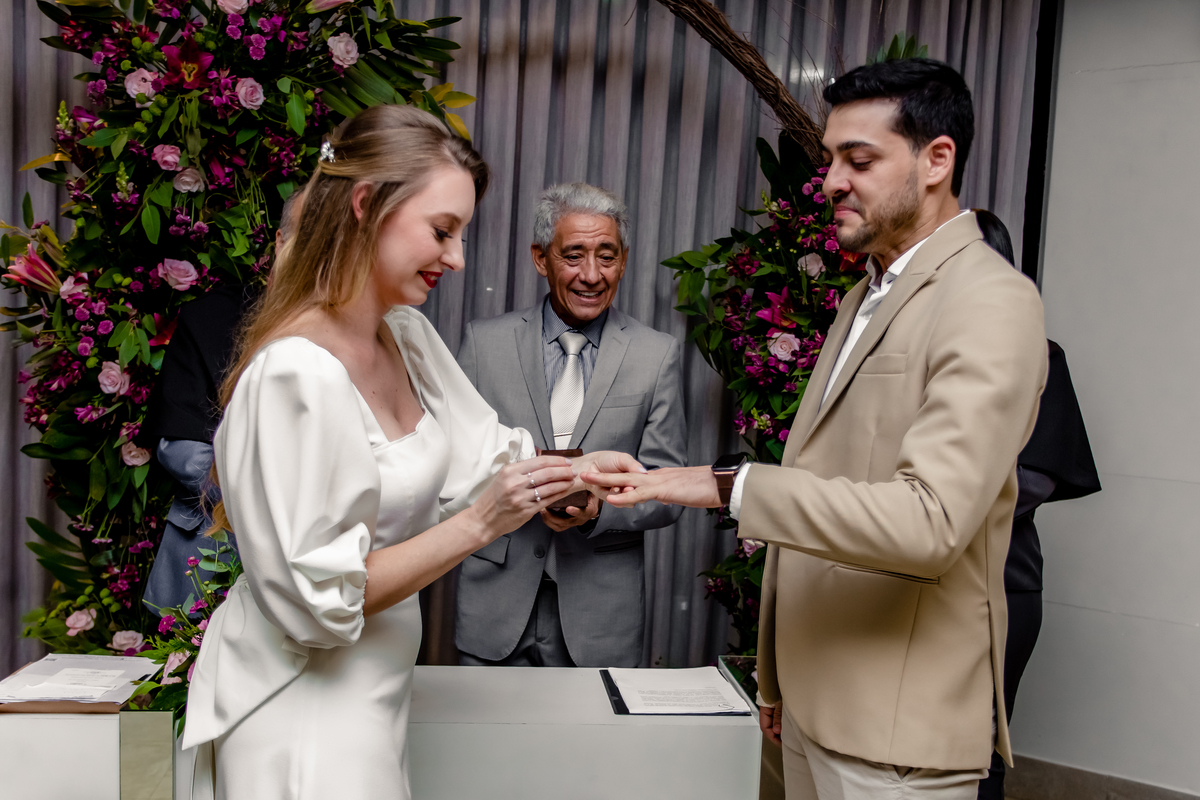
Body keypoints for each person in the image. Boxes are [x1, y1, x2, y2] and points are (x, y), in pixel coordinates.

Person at [584, 58, 1047, 799]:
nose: (830, 182)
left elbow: (930, 521)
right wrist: (776, 677)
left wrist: (726, 485)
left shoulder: (990, 299)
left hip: (894, 732)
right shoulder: (866, 293)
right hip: (810, 703)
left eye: (858, 161)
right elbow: (823, 481)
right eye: (831, 160)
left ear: (936, 160)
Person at [179, 105, 638, 800]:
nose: (457, 258)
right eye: (442, 231)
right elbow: (317, 605)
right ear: (366, 205)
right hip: (303, 703)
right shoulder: (294, 374)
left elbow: (490, 457)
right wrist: (479, 524)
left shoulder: (406, 336)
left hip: (376, 693)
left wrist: (582, 469)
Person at [454, 183, 686, 668]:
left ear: (624, 261)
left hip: (600, 615)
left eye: (607, 257)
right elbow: (452, 465)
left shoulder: (656, 354)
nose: (592, 275)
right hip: (495, 602)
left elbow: (667, 488)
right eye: (574, 255)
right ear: (541, 258)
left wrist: (598, 511)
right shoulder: (484, 344)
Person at [971, 209, 1101, 800]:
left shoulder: (1041, 356)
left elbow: (1038, 478)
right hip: (911, 582)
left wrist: (928, 505)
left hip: (1002, 584)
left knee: (980, 752)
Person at [139, 186, 305, 614]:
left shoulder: (365, 334)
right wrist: (279, 497)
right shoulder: (212, 316)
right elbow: (180, 448)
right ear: (280, 242)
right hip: (209, 555)